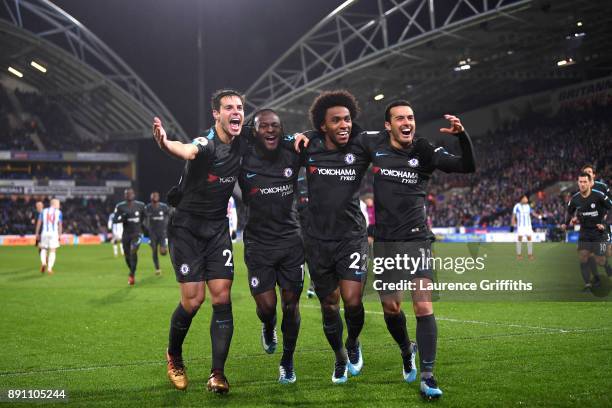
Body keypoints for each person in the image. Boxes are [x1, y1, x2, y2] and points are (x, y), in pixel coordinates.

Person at [363, 100, 475, 399]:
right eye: (399, 118)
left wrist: (461, 135)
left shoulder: (424, 151)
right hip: (386, 242)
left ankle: (427, 376)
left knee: (423, 305)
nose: (406, 122)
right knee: (392, 308)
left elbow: (467, 166)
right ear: (388, 125)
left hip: (417, 239)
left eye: (410, 117)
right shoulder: (375, 146)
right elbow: (339, 131)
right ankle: (405, 349)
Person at [152, 89, 245, 394]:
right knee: (193, 301)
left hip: (217, 229)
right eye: (228, 108)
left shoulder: (244, 141)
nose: (236, 112)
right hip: (187, 229)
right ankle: (174, 357)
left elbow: (274, 133)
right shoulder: (207, 144)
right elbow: (187, 150)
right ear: (216, 115)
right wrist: (166, 143)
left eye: (240, 108)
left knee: (221, 297)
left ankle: (217, 374)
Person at [294, 90, 370, 384]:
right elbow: (274, 145)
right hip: (317, 239)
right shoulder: (308, 147)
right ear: (322, 125)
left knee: (352, 301)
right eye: (336, 120)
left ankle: (352, 343)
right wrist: (304, 135)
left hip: (351, 235)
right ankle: (339, 356)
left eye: (348, 119)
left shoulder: (361, 146)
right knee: (329, 305)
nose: (344, 125)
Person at [238, 108, 304, 384]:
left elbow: (313, 142)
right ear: (254, 131)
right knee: (267, 307)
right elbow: (228, 134)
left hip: (290, 240)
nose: (270, 130)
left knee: (291, 305)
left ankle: (287, 361)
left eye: (275, 126)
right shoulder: (243, 157)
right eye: (263, 126)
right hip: (258, 243)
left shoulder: (293, 154)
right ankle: (267, 326)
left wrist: (294, 138)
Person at [562, 172, 612, 290]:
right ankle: (588, 284)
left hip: (599, 232)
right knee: (583, 256)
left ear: (590, 183)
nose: (583, 184)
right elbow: (569, 211)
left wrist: (604, 223)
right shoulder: (575, 199)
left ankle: (607, 269)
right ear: (578, 183)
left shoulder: (599, 196)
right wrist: (566, 223)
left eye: (585, 182)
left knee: (600, 259)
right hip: (584, 232)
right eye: (580, 182)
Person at [581, 164, 612, 277]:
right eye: (585, 172)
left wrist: (605, 215)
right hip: (589, 228)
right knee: (595, 257)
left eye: (590, 171)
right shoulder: (581, 190)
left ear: (594, 174)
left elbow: (610, 203)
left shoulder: (602, 187)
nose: (588, 173)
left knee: (607, 252)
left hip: (603, 224)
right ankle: (601, 273)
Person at [113, 188, 146, 285]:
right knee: (127, 256)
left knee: (133, 250)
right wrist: (122, 218)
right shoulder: (120, 206)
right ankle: (132, 272)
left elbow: (145, 217)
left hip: (137, 234)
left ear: (134, 195)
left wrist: (144, 228)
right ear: (125, 196)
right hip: (126, 235)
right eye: (127, 194)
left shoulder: (141, 205)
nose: (129, 195)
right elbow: (115, 219)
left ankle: (131, 274)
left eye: (130, 193)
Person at [145, 191, 171, 275]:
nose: (155, 197)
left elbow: (169, 216)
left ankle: (164, 247)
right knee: (154, 251)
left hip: (162, 232)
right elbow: (144, 219)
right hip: (152, 233)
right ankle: (157, 268)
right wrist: (146, 229)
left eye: (156, 196)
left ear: (158, 197)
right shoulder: (147, 208)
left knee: (163, 252)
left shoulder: (164, 207)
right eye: (153, 196)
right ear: (151, 198)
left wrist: (167, 224)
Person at [35, 198, 62, 274]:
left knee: (43, 249)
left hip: (44, 233)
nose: (59, 206)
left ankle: (43, 262)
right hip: (54, 233)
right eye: (58, 204)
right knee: (53, 250)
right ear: (54, 204)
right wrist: (60, 235)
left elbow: (39, 223)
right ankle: (49, 268)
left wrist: (37, 233)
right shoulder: (59, 212)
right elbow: (60, 225)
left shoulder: (43, 211)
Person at [512, 194, 535, 260]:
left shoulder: (528, 206)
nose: (526, 199)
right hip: (521, 226)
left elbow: (533, 213)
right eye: (525, 198)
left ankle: (530, 255)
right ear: (522, 199)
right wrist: (513, 224)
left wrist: (540, 217)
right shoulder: (517, 206)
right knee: (520, 239)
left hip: (528, 226)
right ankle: (519, 255)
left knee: (529, 239)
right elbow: (513, 216)